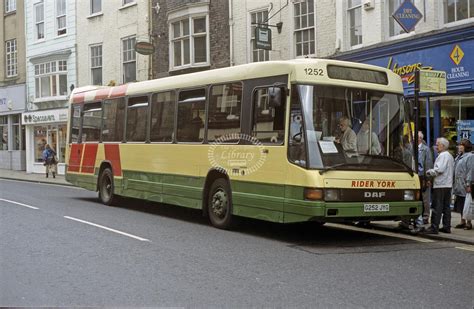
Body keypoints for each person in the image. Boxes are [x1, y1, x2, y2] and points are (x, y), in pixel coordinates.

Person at [424, 137, 454, 234]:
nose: (436, 146)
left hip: (440, 184)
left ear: (443, 146)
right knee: (446, 207)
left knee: (437, 206)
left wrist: (428, 172)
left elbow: (439, 169)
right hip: (448, 185)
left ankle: (434, 227)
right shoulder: (449, 156)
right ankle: (446, 226)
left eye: (438, 144)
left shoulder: (443, 155)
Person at [453, 139, 473, 230]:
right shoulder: (459, 156)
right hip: (458, 184)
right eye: (459, 145)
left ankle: (468, 223)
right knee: (461, 202)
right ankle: (462, 221)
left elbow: (470, 170)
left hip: (465, 183)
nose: (459, 146)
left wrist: (469, 184)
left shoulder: (470, 156)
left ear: (466, 147)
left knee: (467, 203)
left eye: (461, 145)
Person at [418, 131, 434, 224]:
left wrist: (428, 179)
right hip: (414, 176)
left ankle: (425, 216)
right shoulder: (412, 148)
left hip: (423, 177)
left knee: (425, 198)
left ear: (420, 138)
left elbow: (428, 164)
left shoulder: (426, 149)